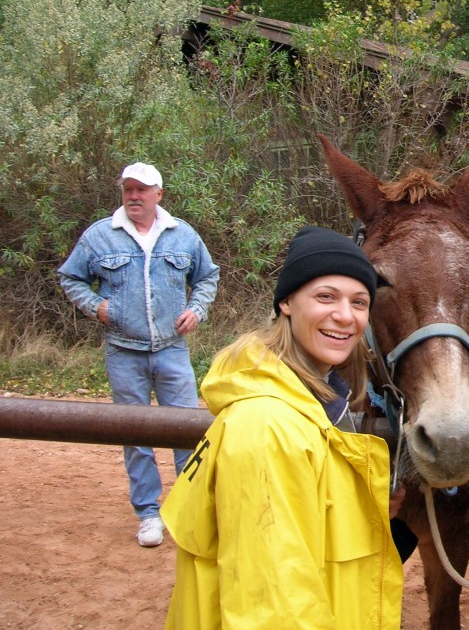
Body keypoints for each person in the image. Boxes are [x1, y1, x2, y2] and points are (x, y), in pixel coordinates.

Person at [162, 226, 403, 629]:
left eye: (359, 302)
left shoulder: (312, 401)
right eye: (326, 296)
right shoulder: (267, 427)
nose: (345, 316)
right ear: (287, 302)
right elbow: (273, 605)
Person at [58, 162, 219, 548]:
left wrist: (196, 310)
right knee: (135, 435)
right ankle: (148, 514)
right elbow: (70, 277)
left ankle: (189, 509)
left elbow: (208, 276)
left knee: (187, 432)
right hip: (122, 352)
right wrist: (96, 307)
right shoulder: (100, 236)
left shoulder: (182, 235)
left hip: (172, 351)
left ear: (158, 195)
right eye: (128, 189)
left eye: (142, 190)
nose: (134, 196)